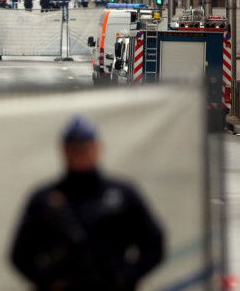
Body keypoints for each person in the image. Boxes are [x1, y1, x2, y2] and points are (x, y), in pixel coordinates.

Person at [9, 116, 164, 291]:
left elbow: (153, 244)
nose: (79, 154)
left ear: (98, 148)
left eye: (85, 148)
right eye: (74, 149)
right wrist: (50, 282)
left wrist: (126, 276)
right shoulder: (44, 199)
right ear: (64, 150)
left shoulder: (122, 194)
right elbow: (20, 255)